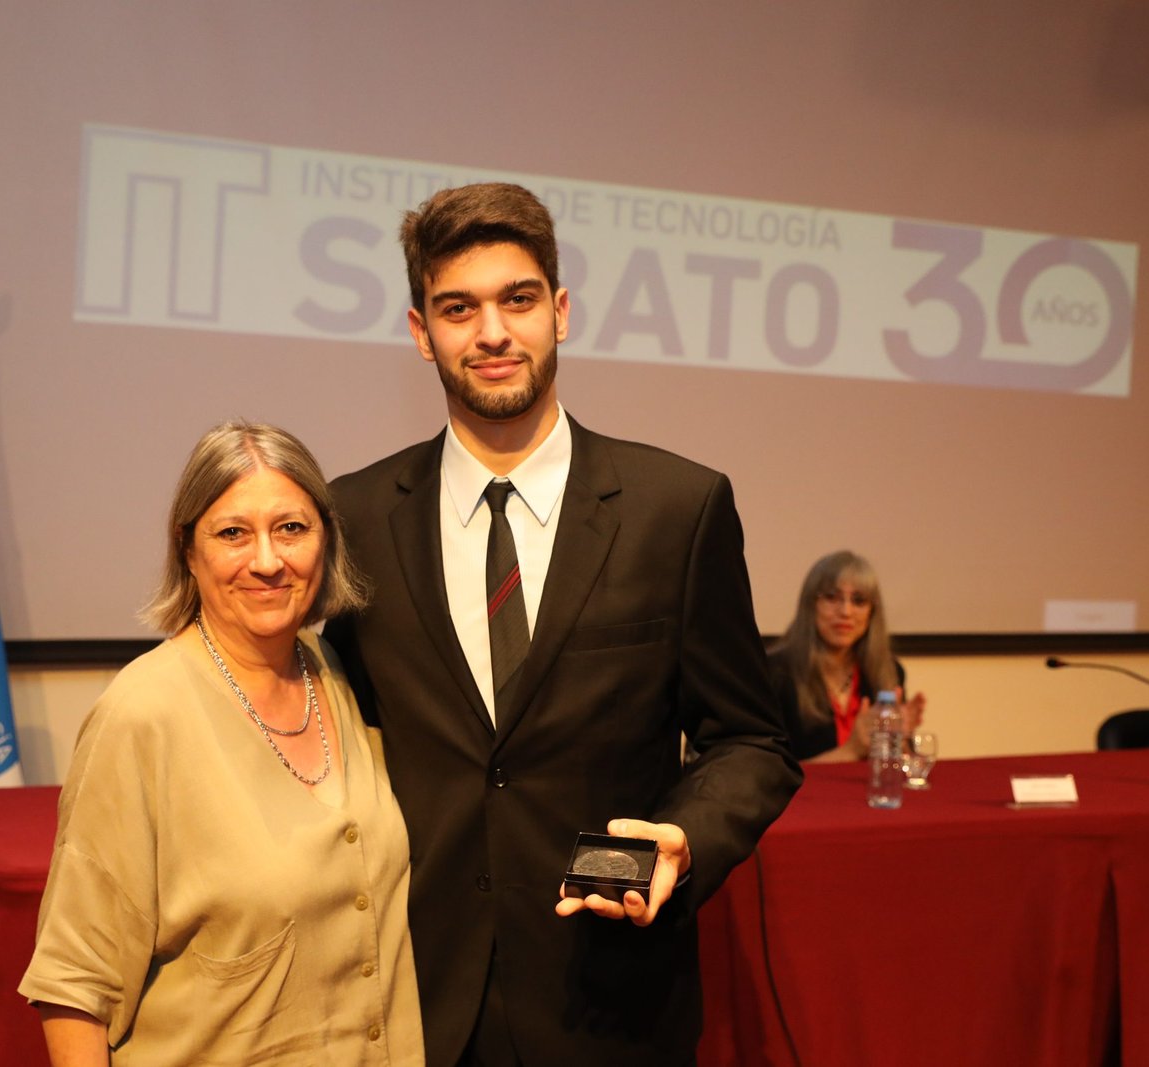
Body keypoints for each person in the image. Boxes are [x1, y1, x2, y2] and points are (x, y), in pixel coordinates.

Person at [322, 182, 801, 1067]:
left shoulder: (677, 507)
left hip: (612, 1003)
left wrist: (686, 839)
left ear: (562, 311)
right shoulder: (351, 519)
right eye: (458, 308)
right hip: (412, 1003)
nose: (493, 332)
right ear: (422, 332)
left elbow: (751, 742)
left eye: (519, 299)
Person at [19, 422, 423, 1065]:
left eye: (291, 528)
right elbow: (76, 982)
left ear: (326, 541)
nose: (267, 560)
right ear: (188, 550)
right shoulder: (140, 715)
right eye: (233, 533)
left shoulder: (340, 674)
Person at [767, 550, 925, 762]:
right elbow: (768, 777)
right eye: (832, 597)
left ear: (872, 613)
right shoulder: (773, 673)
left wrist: (900, 742)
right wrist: (850, 751)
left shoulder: (888, 670)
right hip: (807, 795)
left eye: (859, 601)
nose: (846, 611)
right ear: (810, 605)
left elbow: (892, 767)